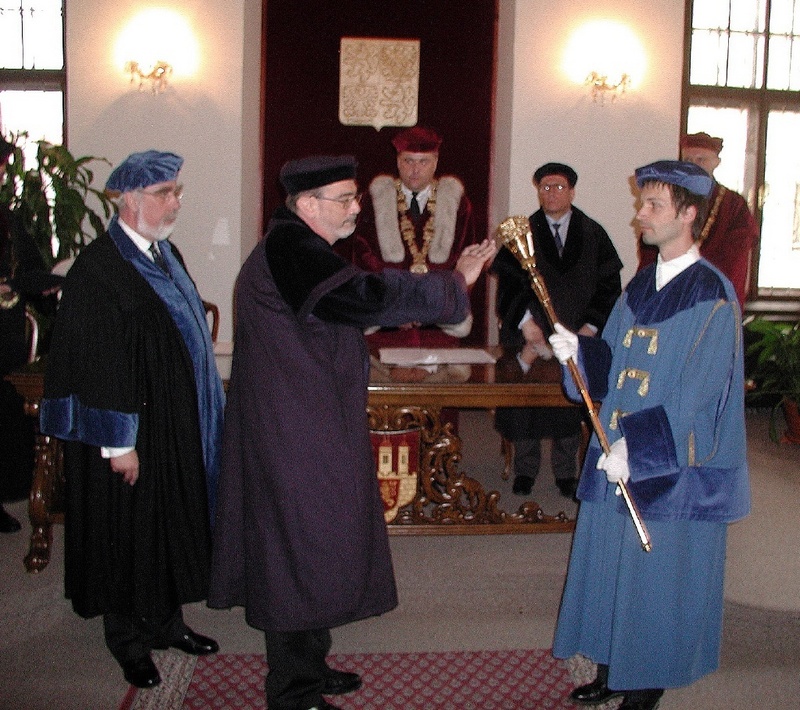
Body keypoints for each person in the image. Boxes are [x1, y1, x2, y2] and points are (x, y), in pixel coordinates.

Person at [207, 155, 496, 710]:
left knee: (315, 541)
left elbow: (346, 305)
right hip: (291, 425)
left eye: (356, 196)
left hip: (306, 413)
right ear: (307, 205)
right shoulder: (292, 249)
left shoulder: (301, 246)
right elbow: (365, 297)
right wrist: (454, 282)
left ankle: (311, 663)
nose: (356, 208)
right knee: (295, 547)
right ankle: (293, 691)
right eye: (345, 199)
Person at [548, 160, 750, 710]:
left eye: (652, 205)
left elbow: (700, 392)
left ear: (688, 215)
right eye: (642, 203)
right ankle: (613, 666)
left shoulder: (711, 294)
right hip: (616, 445)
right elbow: (613, 355)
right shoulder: (641, 283)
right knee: (611, 559)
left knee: (656, 573)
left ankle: (646, 679)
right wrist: (579, 353)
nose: (640, 215)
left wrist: (638, 448)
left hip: (664, 460)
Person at [39, 150, 225, 689]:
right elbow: (97, 365)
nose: (176, 202)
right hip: (130, 434)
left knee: (168, 523)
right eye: (165, 193)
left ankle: (167, 622)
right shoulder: (100, 269)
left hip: (170, 423)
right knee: (124, 532)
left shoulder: (166, 254)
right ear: (129, 199)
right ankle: (126, 639)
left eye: (176, 191)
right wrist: (117, 445)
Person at [491, 162, 622, 498]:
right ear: (538, 191)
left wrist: (589, 329)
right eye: (545, 187)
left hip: (578, 336)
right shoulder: (523, 233)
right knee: (527, 404)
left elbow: (609, 286)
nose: (552, 193)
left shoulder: (593, 233)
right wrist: (526, 326)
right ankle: (525, 469)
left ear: (572, 191)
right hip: (533, 335)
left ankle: (566, 472)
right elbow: (508, 285)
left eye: (559, 187)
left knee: (571, 398)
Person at [348, 125, 478, 347]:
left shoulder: (458, 204)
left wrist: (430, 306)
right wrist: (399, 308)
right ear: (398, 161)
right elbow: (363, 255)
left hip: (440, 320)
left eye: (423, 162)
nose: (415, 169)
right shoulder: (373, 201)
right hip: (386, 320)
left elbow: (465, 257)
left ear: (436, 162)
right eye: (408, 161)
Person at [0, 134, 62, 533]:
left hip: (6, 331)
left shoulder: (6, 216)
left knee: (6, 408)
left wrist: (53, 283)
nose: (3, 172)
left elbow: (29, 268)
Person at [638, 132, 759, 307]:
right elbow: (649, 250)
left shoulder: (733, 204)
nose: (694, 164)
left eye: (701, 159)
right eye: (688, 160)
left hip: (710, 294)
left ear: (716, 162)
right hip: (664, 289)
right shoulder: (667, 200)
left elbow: (735, 257)